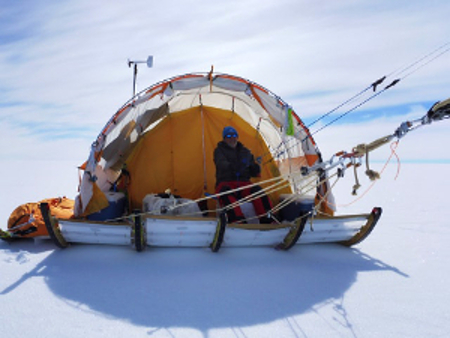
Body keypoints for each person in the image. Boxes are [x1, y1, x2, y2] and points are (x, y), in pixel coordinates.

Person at [214, 126, 273, 224]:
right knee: (225, 193)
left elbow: (254, 173)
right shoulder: (219, 151)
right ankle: (238, 220)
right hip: (226, 182)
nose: (232, 138)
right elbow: (221, 164)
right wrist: (237, 166)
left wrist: (255, 167)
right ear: (224, 138)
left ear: (237, 137)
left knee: (258, 191)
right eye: (228, 136)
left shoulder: (246, 152)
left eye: (234, 135)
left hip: (244, 183)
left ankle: (268, 219)